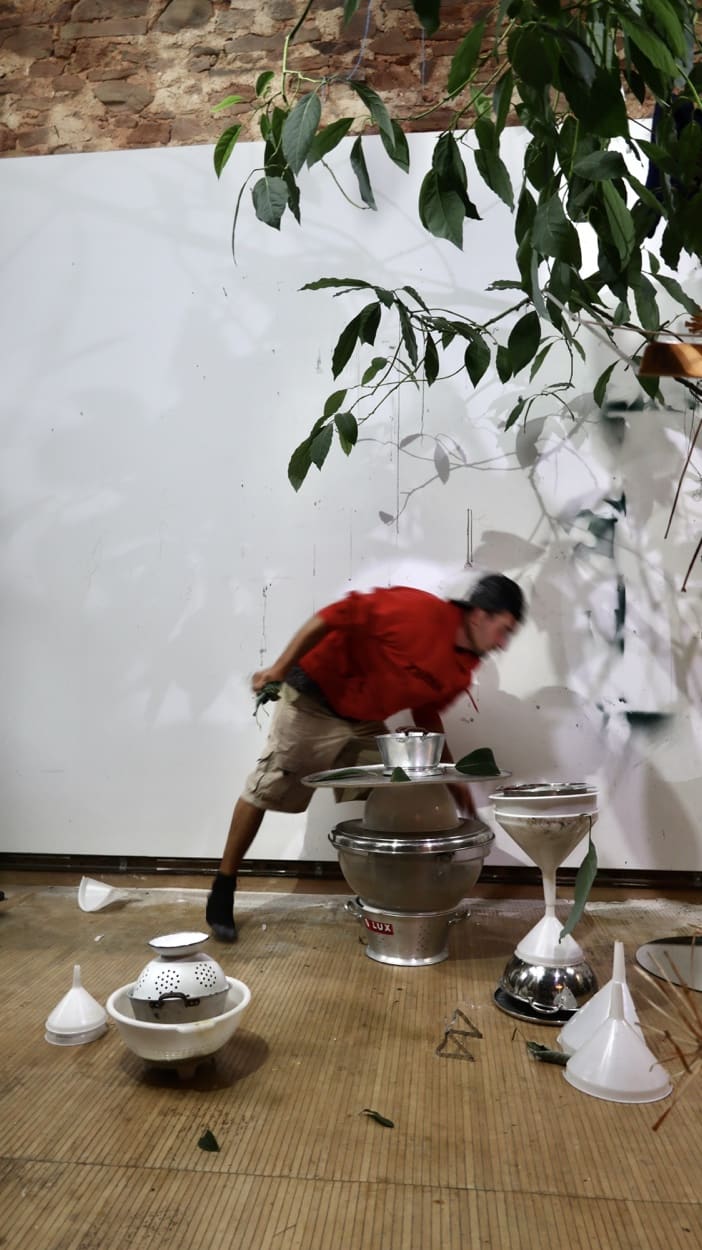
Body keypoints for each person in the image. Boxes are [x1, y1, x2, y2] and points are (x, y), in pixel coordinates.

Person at [206, 573, 525, 941]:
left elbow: (426, 712)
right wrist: (279, 668)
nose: (503, 644)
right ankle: (223, 886)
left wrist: (452, 780)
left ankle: (388, 894)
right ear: (480, 615)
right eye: (504, 630)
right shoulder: (417, 611)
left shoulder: (463, 668)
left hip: (364, 720)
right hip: (314, 700)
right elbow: (333, 615)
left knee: (399, 790)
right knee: (265, 789)